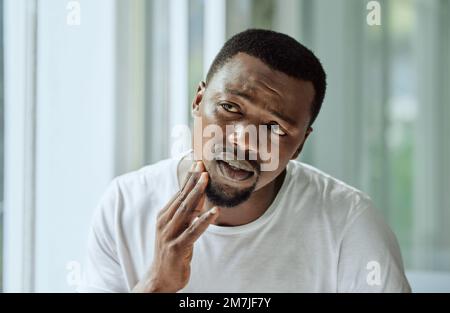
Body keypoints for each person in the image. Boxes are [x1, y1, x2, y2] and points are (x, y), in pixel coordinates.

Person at [79, 29, 411, 293]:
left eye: (276, 128)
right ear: (198, 100)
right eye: (231, 107)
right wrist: (157, 284)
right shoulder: (124, 204)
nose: (244, 140)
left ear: (299, 145)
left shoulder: (348, 223)